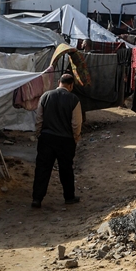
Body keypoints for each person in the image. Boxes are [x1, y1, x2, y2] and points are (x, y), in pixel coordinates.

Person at [32, 73, 82, 208]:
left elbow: (39, 119)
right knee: (66, 169)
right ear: (71, 85)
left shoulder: (46, 96)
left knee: (42, 169)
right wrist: (75, 138)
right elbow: (76, 124)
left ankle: (37, 198)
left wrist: (39, 134)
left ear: (59, 82)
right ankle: (69, 197)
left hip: (46, 138)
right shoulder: (74, 99)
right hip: (65, 141)